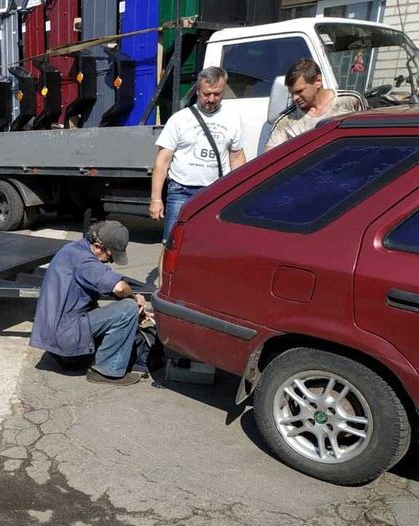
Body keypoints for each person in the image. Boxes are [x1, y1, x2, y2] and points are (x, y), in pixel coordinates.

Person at [30, 221, 146, 386]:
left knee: (113, 309)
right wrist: (135, 299)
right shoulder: (84, 261)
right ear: (97, 246)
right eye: (110, 256)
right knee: (128, 309)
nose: (110, 262)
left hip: (55, 333)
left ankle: (73, 357)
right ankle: (107, 371)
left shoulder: (72, 250)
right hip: (65, 335)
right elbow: (119, 288)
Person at [149, 66, 246, 243]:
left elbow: (237, 156)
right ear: (198, 90)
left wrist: (238, 194)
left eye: (217, 94)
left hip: (216, 193)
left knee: (210, 244)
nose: (211, 99)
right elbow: (162, 160)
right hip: (181, 192)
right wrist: (156, 199)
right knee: (172, 244)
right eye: (206, 94)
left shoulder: (233, 119)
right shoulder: (179, 119)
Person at [265, 58, 364, 151]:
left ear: (318, 81)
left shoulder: (351, 101)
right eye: (292, 93)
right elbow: (270, 158)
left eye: (299, 91)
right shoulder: (286, 121)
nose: (295, 98)